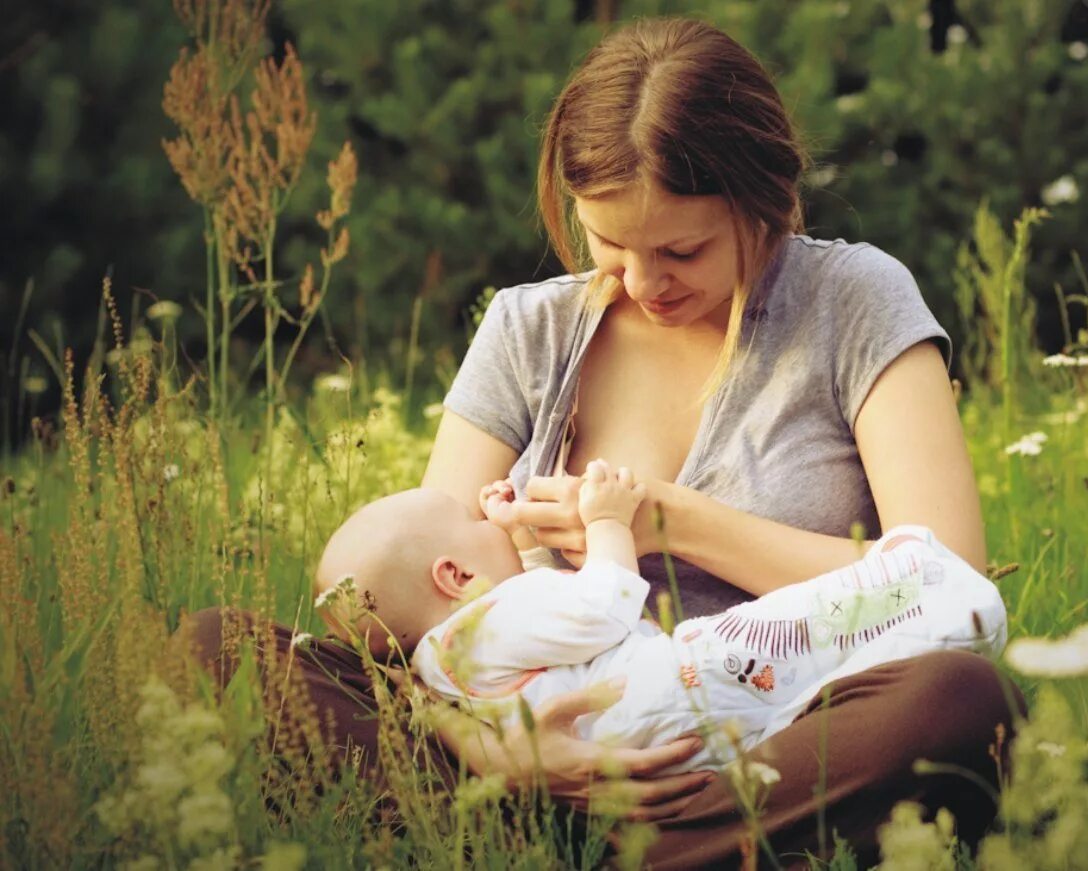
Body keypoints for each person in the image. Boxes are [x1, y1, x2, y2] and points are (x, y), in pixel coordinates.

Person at [184, 16, 1025, 867]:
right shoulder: (530, 329)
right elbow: (410, 614)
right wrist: (490, 748)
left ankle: (611, 847)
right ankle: (568, 831)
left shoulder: (854, 301)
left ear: (762, 199)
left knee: (959, 698)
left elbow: (946, 580)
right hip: (529, 751)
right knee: (215, 650)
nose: (642, 282)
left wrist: (671, 522)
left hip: (773, 740)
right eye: (609, 242)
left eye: (682, 250)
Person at [312, 463, 1008, 775]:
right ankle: (919, 587)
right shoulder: (491, 614)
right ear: (456, 577)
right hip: (670, 680)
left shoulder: (446, 660)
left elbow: (536, 614)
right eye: (472, 521)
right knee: (796, 633)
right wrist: (611, 524)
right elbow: (601, 605)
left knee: (794, 688)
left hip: (634, 750)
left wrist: (510, 537)